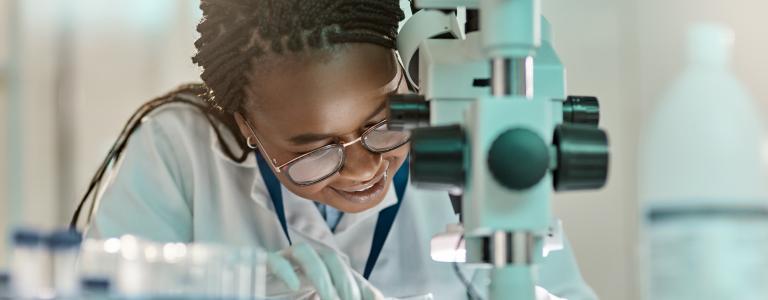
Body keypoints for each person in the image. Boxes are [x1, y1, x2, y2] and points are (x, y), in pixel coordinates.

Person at [76, 0, 597, 299]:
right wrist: (226, 289)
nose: (365, 166)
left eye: (385, 124)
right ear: (248, 126)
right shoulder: (179, 150)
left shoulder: (467, 134)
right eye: (314, 152)